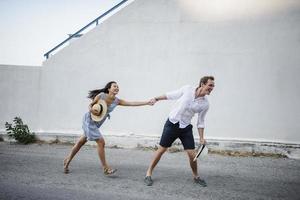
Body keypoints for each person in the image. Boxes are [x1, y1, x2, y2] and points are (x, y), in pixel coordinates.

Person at [63, 81, 154, 175]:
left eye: (118, 87)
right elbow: (91, 105)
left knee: (80, 142)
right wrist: (91, 110)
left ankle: (67, 161)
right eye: (114, 86)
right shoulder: (101, 95)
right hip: (90, 120)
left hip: (97, 123)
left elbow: (132, 103)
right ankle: (105, 168)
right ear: (109, 89)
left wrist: (147, 102)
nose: (117, 88)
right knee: (101, 142)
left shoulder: (117, 101)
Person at [144, 76, 215, 186]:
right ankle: (148, 174)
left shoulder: (205, 104)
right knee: (161, 150)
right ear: (202, 84)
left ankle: (196, 177)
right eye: (210, 85)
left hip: (185, 127)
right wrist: (156, 98)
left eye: (213, 86)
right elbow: (170, 95)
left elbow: (201, 121)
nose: (212, 88)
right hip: (172, 124)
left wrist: (202, 138)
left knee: (192, 154)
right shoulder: (188, 89)